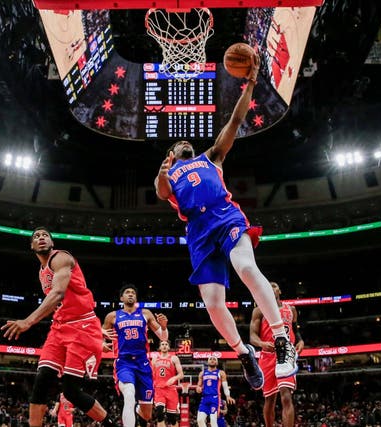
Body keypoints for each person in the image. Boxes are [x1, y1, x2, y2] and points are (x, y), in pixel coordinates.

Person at [154, 49, 297, 392]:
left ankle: (281, 338)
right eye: (179, 143)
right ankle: (243, 352)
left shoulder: (211, 156)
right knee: (214, 305)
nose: (186, 142)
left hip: (225, 216)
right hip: (199, 233)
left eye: (188, 141)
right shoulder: (170, 175)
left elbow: (235, 121)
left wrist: (249, 83)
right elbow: (160, 193)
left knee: (246, 267)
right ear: (171, 156)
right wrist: (161, 172)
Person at [1, 227, 114, 427]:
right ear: (32, 246)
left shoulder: (61, 258)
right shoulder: (41, 271)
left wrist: (28, 321)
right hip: (60, 327)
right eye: (36, 236)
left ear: (52, 243)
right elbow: (57, 304)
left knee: (71, 392)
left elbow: (58, 294)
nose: (41, 237)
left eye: (45, 235)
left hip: (82, 326)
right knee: (41, 381)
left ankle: (110, 424)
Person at [102, 284, 169, 427]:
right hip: (124, 363)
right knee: (129, 394)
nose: (130, 294)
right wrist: (101, 344)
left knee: (147, 414)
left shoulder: (145, 313)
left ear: (136, 298)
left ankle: (139, 409)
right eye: (127, 292)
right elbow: (98, 337)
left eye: (133, 292)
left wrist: (164, 327)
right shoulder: (112, 316)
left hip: (143, 364)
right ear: (122, 298)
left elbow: (163, 337)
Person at [249, 281, 304, 427]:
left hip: (285, 355)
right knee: (270, 399)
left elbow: (296, 331)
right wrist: (261, 344)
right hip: (267, 356)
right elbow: (252, 336)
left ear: (279, 291)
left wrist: (300, 341)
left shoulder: (291, 309)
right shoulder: (259, 310)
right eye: (268, 287)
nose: (271, 289)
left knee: (286, 397)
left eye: (274, 286)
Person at [151, 340, 184, 427]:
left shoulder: (174, 358)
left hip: (171, 389)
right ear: (160, 347)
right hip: (159, 389)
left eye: (166, 344)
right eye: (162, 344)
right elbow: (150, 375)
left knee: (172, 418)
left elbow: (181, 374)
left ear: (169, 347)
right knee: (159, 413)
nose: (164, 346)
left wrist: (174, 378)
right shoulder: (154, 359)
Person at [195, 356, 235, 427]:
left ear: (217, 362)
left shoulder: (221, 373)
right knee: (200, 420)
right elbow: (198, 386)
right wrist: (198, 389)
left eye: (214, 359)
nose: (212, 360)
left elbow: (225, 386)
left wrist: (228, 396)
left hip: (215, 398)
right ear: (208, 362)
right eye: (210, 359)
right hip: (204, 399)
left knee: (213, 420)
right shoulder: (202, 373)